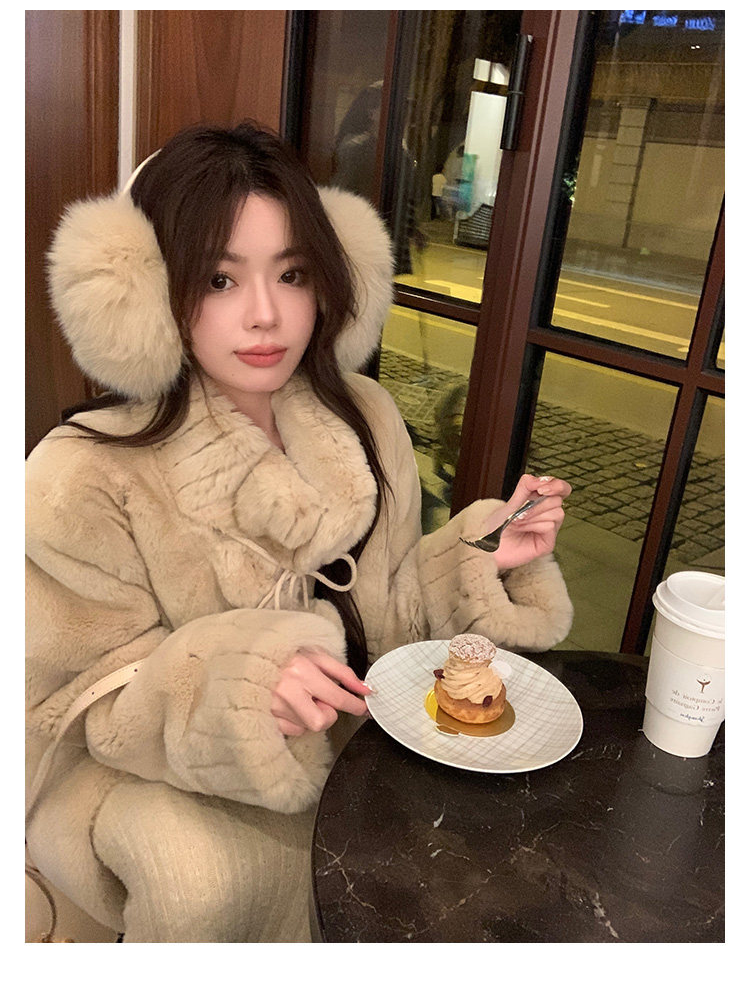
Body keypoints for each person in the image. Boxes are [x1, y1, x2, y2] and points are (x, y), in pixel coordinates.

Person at [25, 121, 573, 942]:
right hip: (167, 774)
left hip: (358, 742)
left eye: (292, 274)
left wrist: (484, 557)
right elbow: (81, 699)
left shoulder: (366, 416)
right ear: (143, 296)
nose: (265, 315)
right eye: (218, 279)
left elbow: (386, 616)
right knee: (200, 879)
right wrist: (235, 687)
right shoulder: (81, 475)